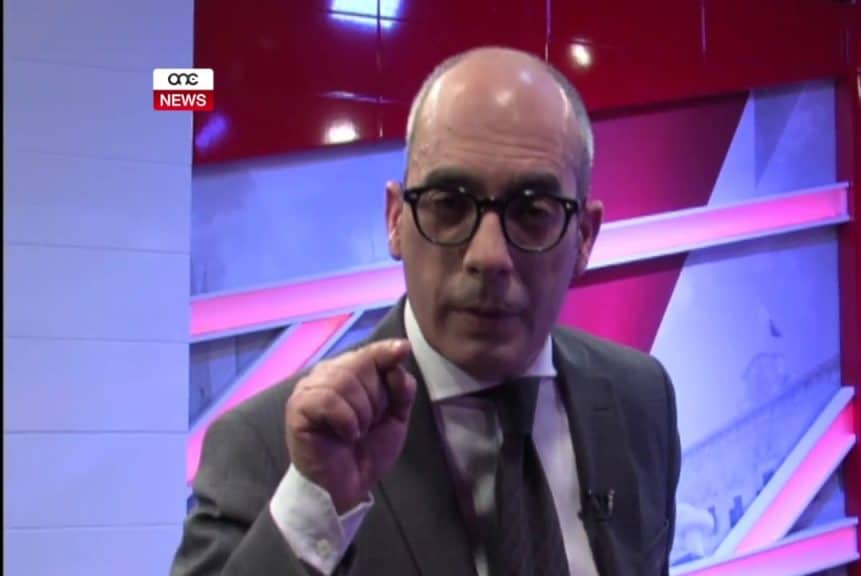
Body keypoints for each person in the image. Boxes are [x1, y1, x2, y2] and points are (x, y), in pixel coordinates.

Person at [171, 46, 681, 576]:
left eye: (533, 211)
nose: (488, 256)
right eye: (448, 205)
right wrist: (313, 512)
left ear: (585, 237)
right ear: (396, 221)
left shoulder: (640, 399)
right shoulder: (272, 448)